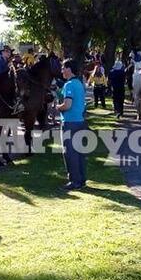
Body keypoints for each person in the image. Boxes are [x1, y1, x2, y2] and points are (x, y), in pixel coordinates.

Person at [57, 59, 88, 191]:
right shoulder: (79, 83)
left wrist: (58, 107)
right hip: (80, 122)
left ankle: (74, 181)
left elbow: (67, 105)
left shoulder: (69, 85)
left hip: (70, 122)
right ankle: (81, 179)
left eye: (63, 68)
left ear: (69, 69)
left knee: (70, 153)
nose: (62, 71)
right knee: (79, 152)